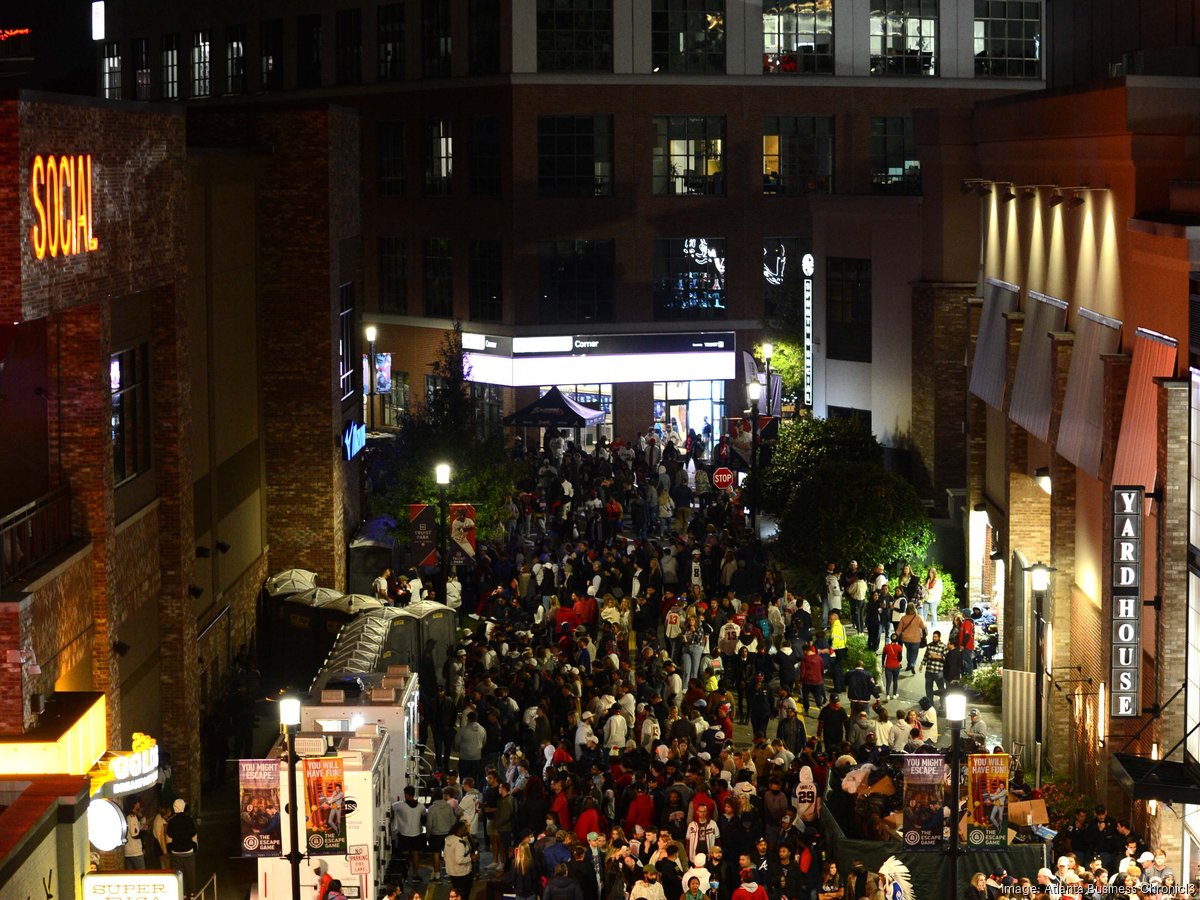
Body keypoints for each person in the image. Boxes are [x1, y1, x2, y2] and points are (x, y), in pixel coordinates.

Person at [166, 798, 198, 896]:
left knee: (179, 874)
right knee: (190, 873)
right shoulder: (189, 820)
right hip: (188, 850)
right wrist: (195, 847)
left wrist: (169, 849)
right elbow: (194, 836)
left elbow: (169, 839)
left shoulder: (171, 821)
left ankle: (181, 893)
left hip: (176, 852)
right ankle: (192, 893)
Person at [445, 821, 476, 899]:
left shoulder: (448, 839)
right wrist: (471, 858)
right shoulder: (460, 844)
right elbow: (459, 860)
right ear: (459, 830)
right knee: (463, 895)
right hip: (462, 873)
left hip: (452, 872)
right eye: (464, 829)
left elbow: (445, 855)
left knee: (457, 894)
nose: (466, 831)